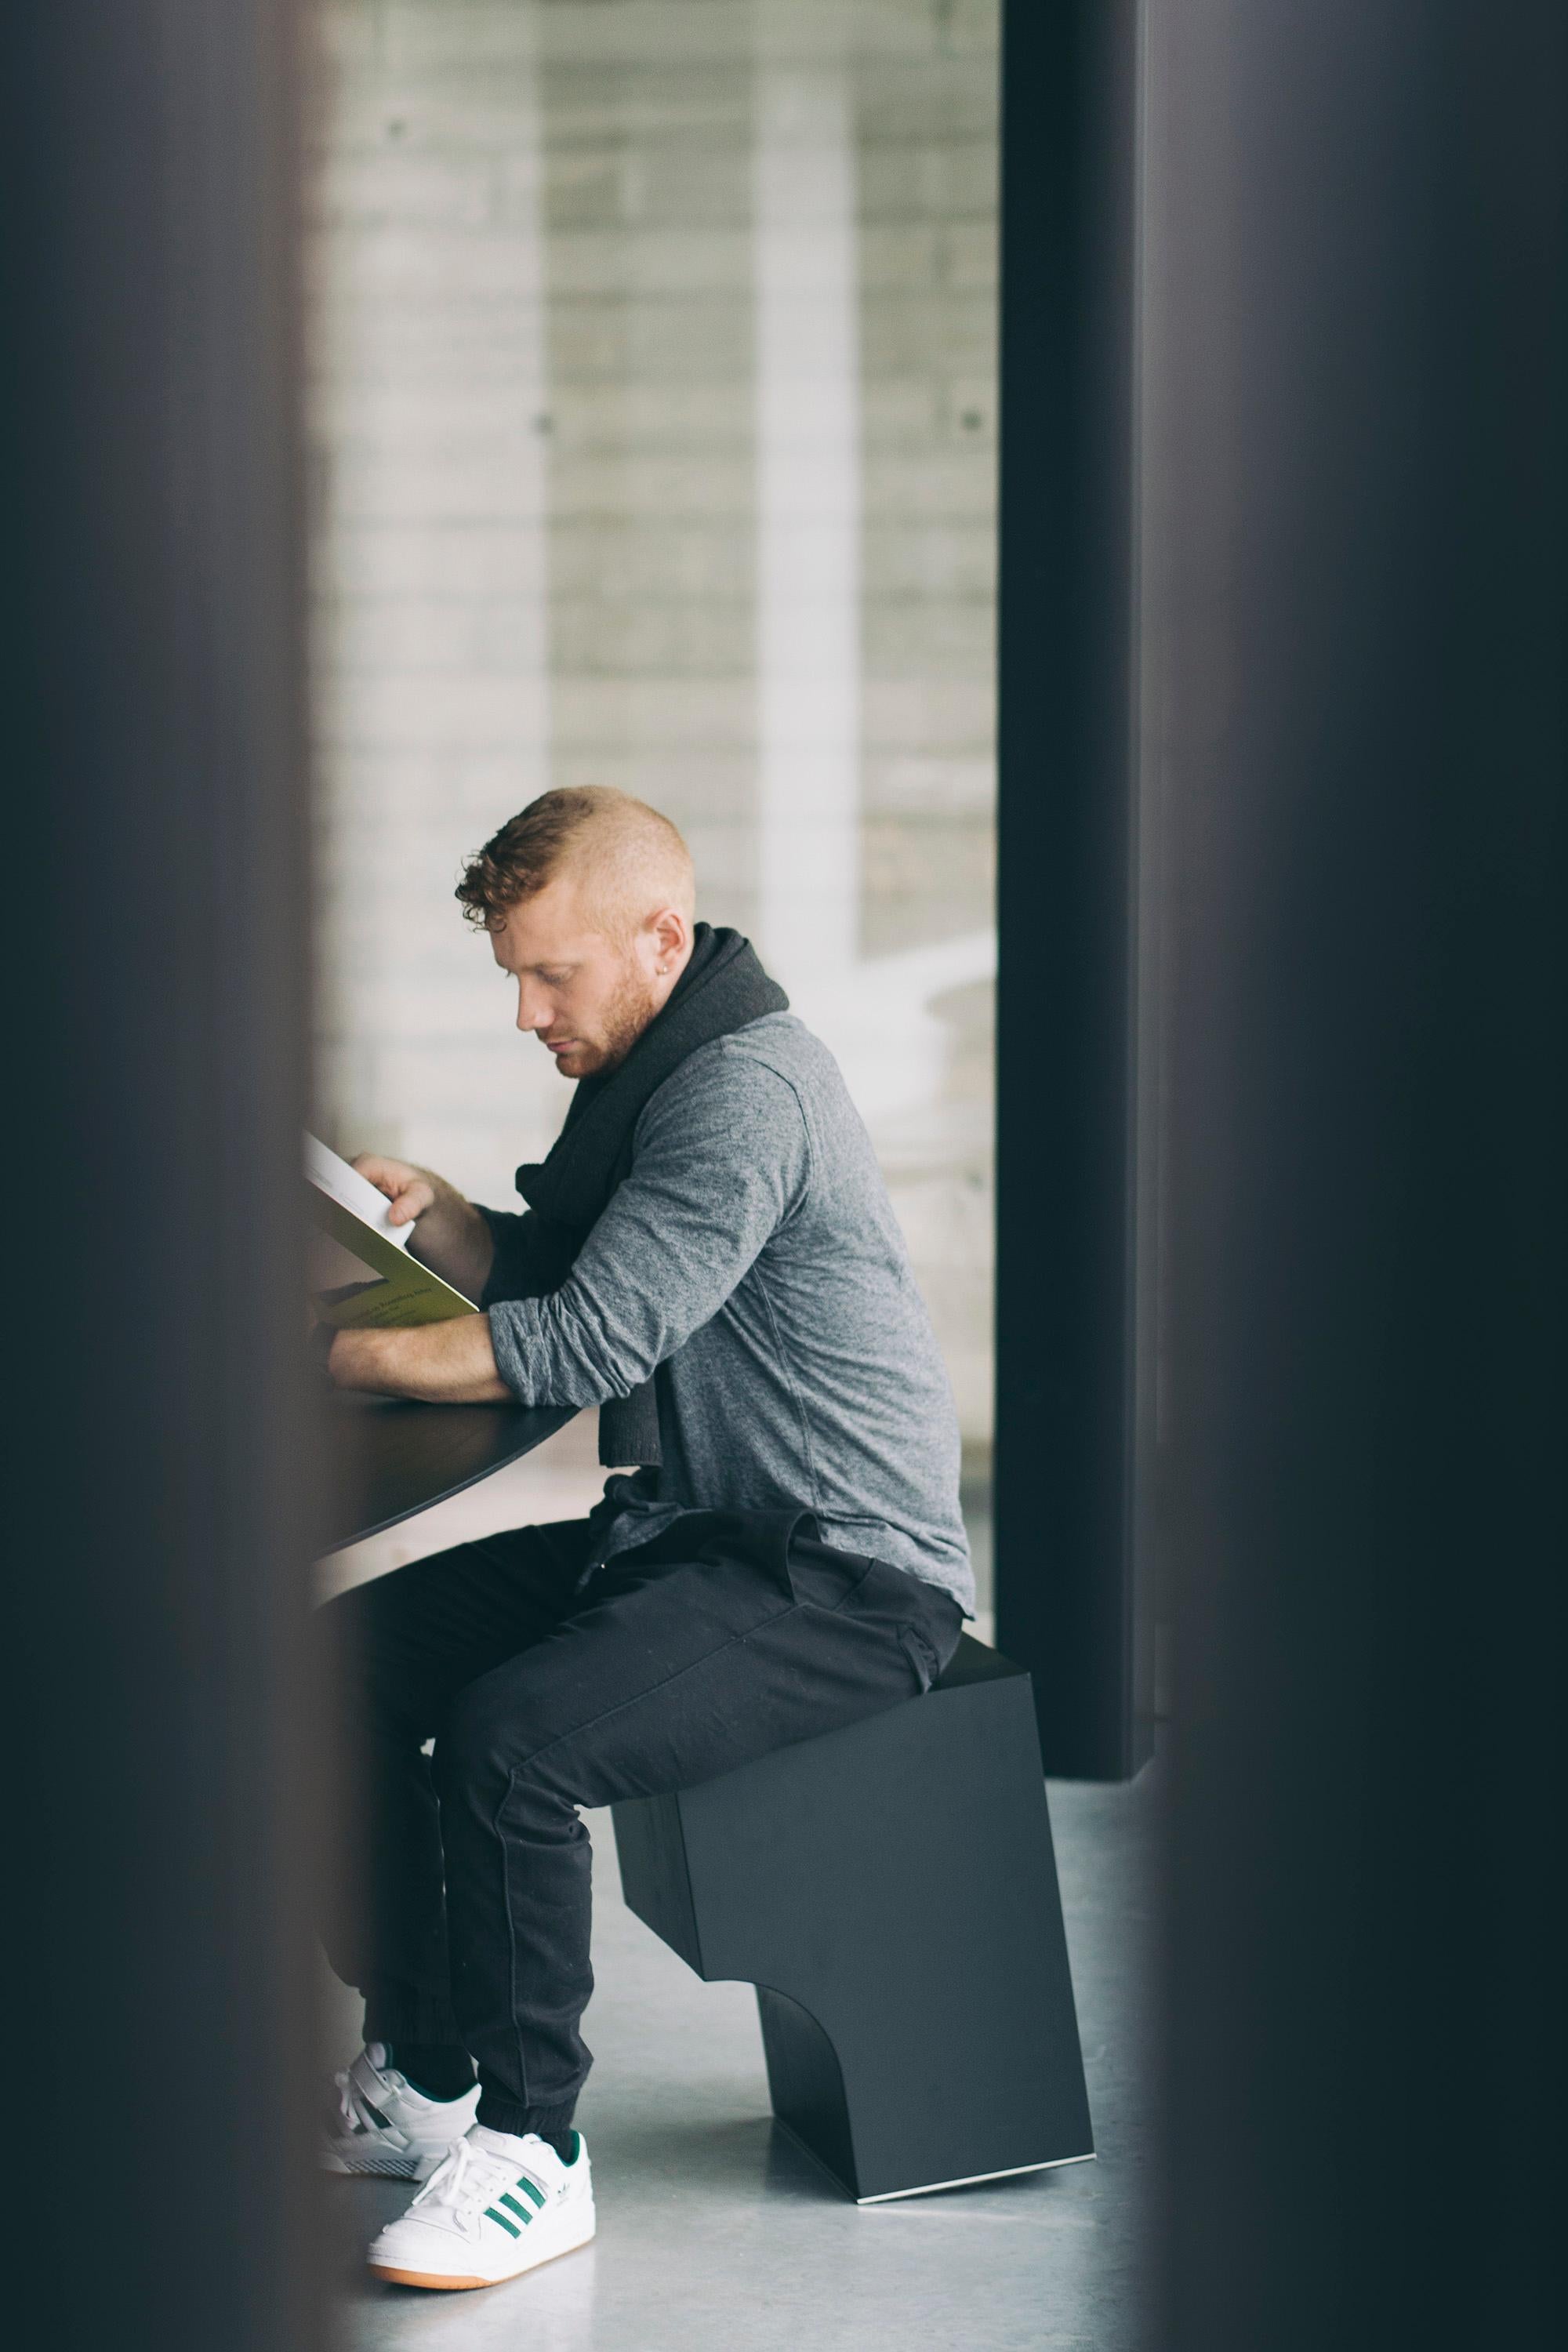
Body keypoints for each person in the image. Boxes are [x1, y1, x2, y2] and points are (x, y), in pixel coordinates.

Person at [317, 786, 973, 2292]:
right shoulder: (660, 1065)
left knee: (512, 1746)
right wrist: (455, 1228)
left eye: (556, 975)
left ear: (661, 938)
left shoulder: (745, 1090)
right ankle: (424, 2075)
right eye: (515, 978)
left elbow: (595, 1340)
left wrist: (340, 1354)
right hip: (684, 1532)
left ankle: (536, 2153)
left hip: (839, 1573)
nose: (531, 1012)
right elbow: (580, 1265)